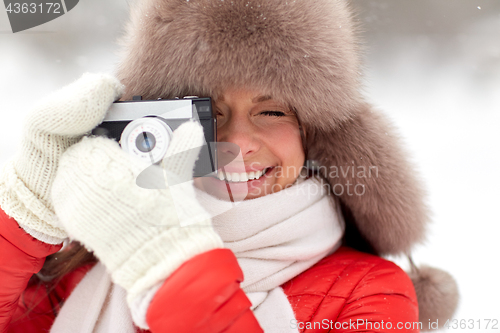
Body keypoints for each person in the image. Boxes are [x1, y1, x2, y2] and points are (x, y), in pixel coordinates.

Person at [0, 0, 458, 332]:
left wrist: (170, 271)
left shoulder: (372, 292)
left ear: (313, 133)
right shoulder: (96, 261)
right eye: (209, 112)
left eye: (272, 111)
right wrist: (25, 213)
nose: (237, 142)